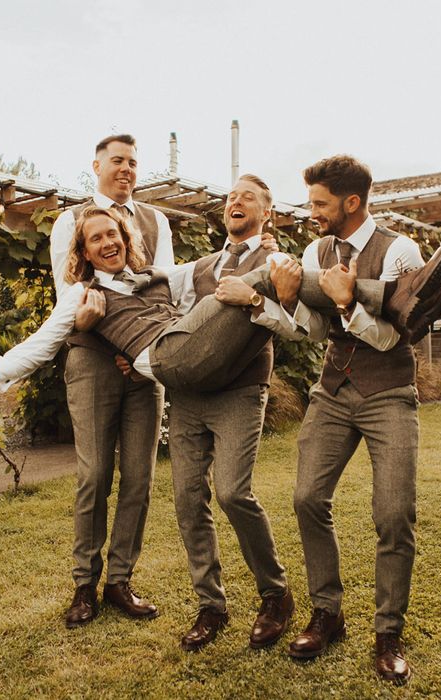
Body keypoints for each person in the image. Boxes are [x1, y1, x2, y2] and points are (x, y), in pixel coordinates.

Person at [276, 155, 441, 685]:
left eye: (319, 202)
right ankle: (327, 615)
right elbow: (314, 331)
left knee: (393, 514)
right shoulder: (317, 249)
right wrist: (295, 302)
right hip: (333, 389)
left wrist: (347, 304)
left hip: (389, 391)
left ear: (351, 202)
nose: (311, 211)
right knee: (307, 498)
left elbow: (393, 335)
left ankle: (388, 633)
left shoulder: (400, 249)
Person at [164, 174, 296, 652]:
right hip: (189, 397)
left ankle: (275, 594)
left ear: (267, 214)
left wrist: (257, 298)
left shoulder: (278, 262)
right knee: (186, 498)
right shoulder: (198, 268)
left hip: (241, 389)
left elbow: (294, 323)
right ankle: (211, 606)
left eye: (249, 197)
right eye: (231, 197)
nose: (235, 202)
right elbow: (171, 318)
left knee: (234, 493)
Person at [48, 134, 175, 628]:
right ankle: (84, 584)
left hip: (145, 364)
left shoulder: (155, 220)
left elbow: (159, 283)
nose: (126, 169)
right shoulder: (70, 219)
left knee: (139, 479)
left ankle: (120, 580)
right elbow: (68, 294)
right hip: (92, 359)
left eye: (133, 163)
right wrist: (117, 344)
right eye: (117, 161)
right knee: (95, 475)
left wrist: (143, 350)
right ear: (97, 165)